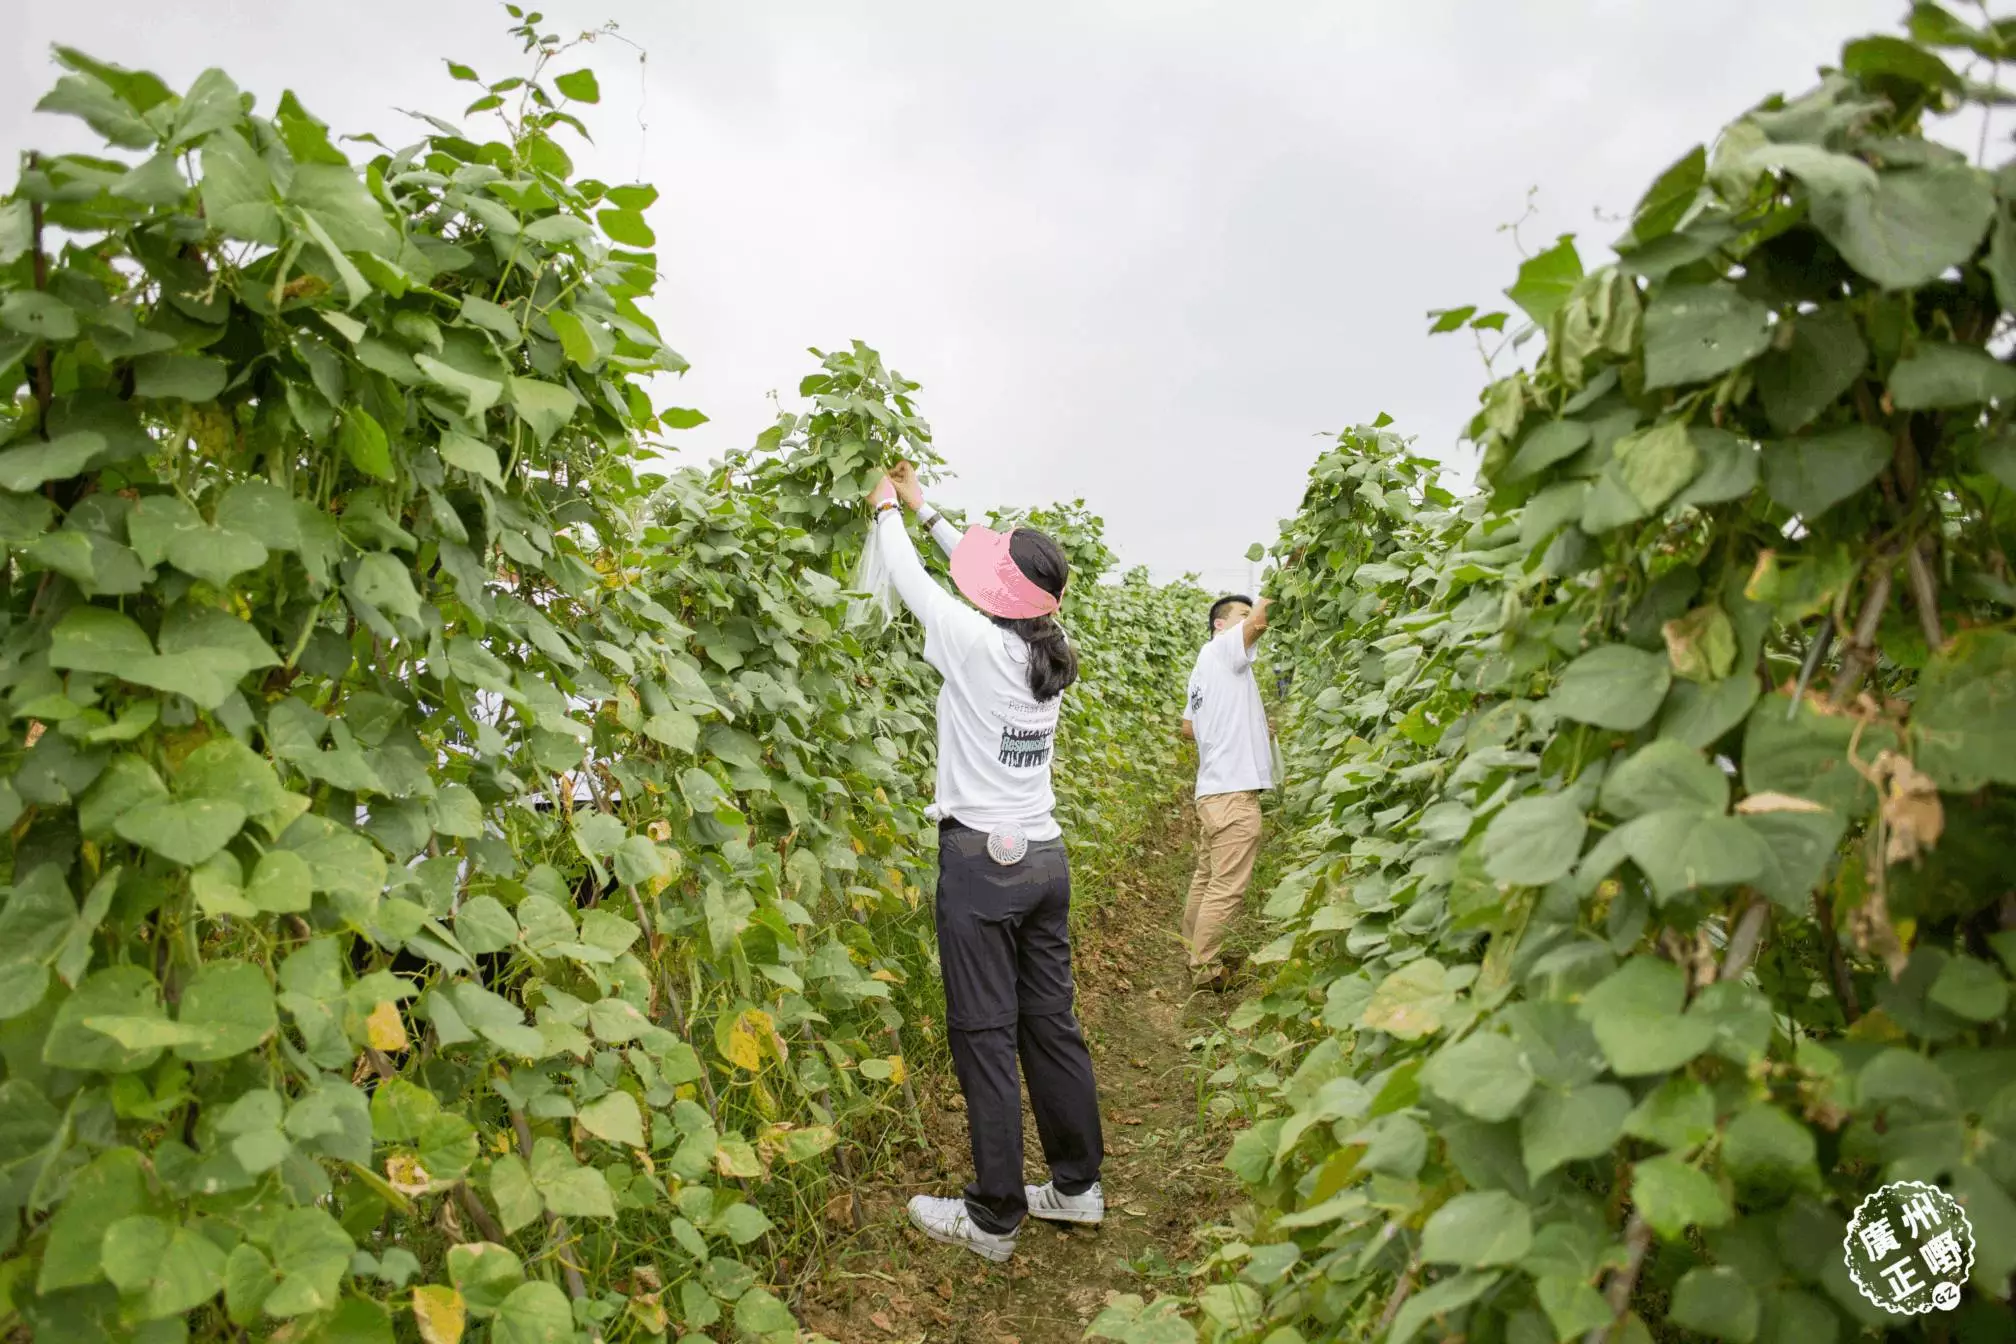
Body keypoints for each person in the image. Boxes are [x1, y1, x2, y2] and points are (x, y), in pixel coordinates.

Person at [867, 461, 1105, 1264]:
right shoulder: (1053, 650)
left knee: (984, 1035)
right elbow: (981, 579)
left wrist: (884, 514)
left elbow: (912, 581)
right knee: (1051, 1026)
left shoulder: (971, 643)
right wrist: (926, 509)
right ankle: (1076, 1188)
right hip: (1044, 858)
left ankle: (995, 1217)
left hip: (981, 865)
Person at [1179, 593, 1273, 991]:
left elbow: (1188, 727)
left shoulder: (1205, 667)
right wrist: (1286, 570)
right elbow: (1260, 623)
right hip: (1233, 795)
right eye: (1241, 614)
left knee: (1207, 878)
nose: (1250, 621)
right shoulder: (1222, 648)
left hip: (1213, 791)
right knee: (1226, 887)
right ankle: (1206, 969)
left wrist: (1243, 727)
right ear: (1221, 625)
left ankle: (1192, 952)